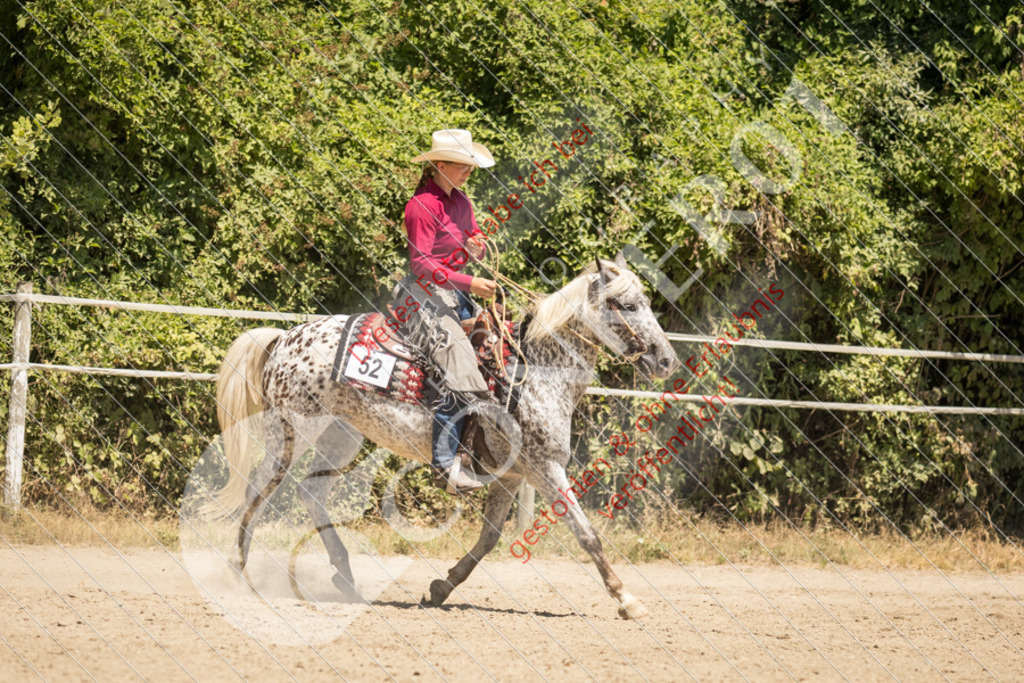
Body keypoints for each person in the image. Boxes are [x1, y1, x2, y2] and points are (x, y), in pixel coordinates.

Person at [396, 129, 500, 494]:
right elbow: (421, 263)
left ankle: (475, 446)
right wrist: (469, 282)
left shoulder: (462, 201)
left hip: (457, 293)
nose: (469, 172)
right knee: (460, 362)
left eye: (470, 166)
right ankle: (444, 464)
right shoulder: (421, 205)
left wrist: (476, 247)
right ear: (440, 165)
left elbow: (472, 241)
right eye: (462, 166)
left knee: (498, 351)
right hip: (424, 295)